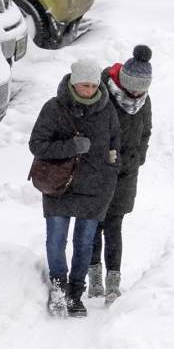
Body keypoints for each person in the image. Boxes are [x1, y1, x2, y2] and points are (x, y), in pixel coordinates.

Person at [29, 59, 121, 318]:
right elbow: (37, 145)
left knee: (84, 244)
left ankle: (75, 294)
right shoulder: (54, 108)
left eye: (93, 85)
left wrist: (110, 180)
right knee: (56, 241)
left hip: (94, 190)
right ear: (73, 82)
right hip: (59, 186)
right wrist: (72, 146)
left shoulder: (107, 111)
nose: (89, 90)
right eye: (84, 85)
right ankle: (59, 286)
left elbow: (116, 148)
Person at [88, 45, 154, 306]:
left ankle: (113, 283)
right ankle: (94, 279)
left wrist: (137, 158)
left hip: (126, 174)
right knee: (93, 225)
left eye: (142, 87)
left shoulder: (144, 100)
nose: (137, 92)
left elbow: (146, 131)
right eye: (134, 86)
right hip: (98, 171)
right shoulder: (104, 94)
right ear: (124, 80)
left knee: (114, 226)